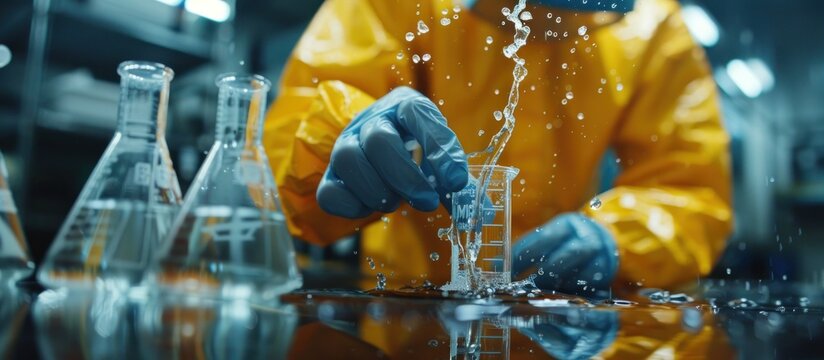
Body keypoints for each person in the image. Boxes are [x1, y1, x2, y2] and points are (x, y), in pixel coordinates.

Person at [263, 0, 733, 293]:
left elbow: (691, 187)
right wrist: (346, 133)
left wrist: (618, 239)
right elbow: (295, 133)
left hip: (557, 308)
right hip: (402, 298)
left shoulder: (655, 29)